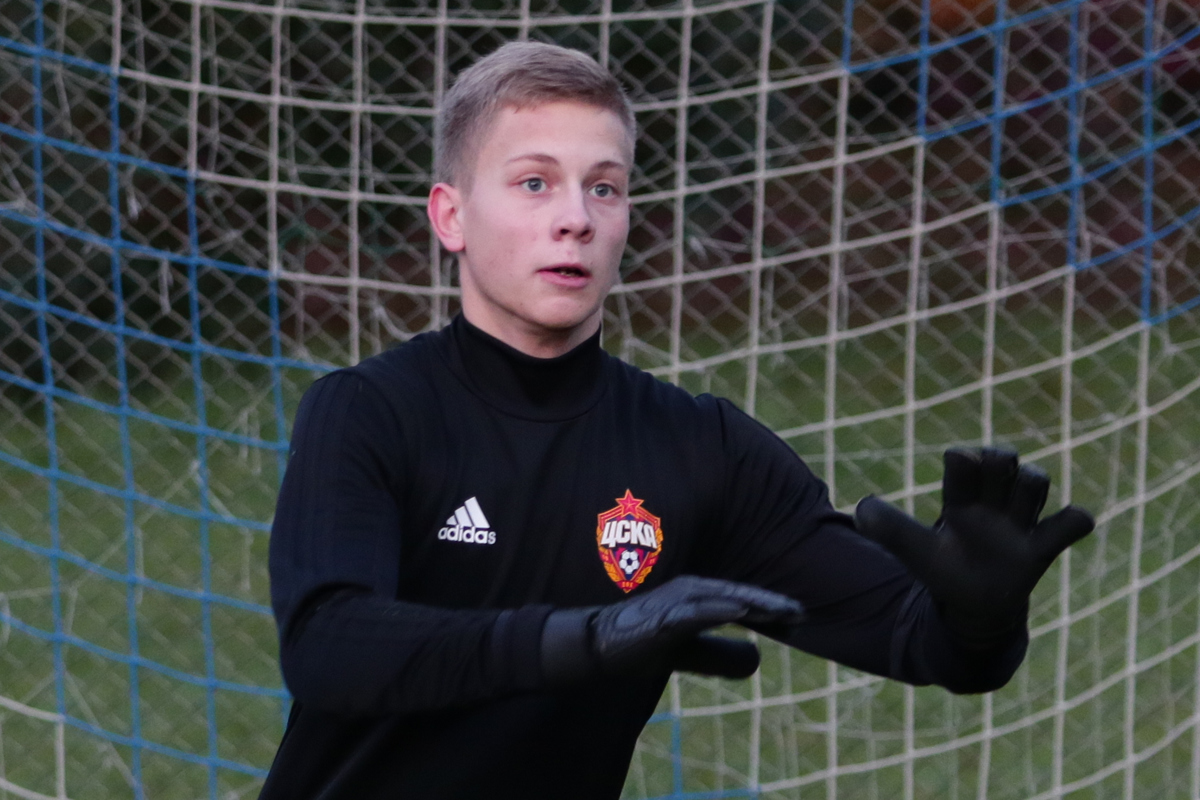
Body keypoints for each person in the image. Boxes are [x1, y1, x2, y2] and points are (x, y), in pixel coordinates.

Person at [258, 41, 1094, 799]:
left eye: (605, 187)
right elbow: (330, 647)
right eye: (534, 182)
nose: (576, 217)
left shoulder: (702, 449)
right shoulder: (370, 411)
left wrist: (979, 619)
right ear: (451, 216)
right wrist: (582, 639)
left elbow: (921, 641)